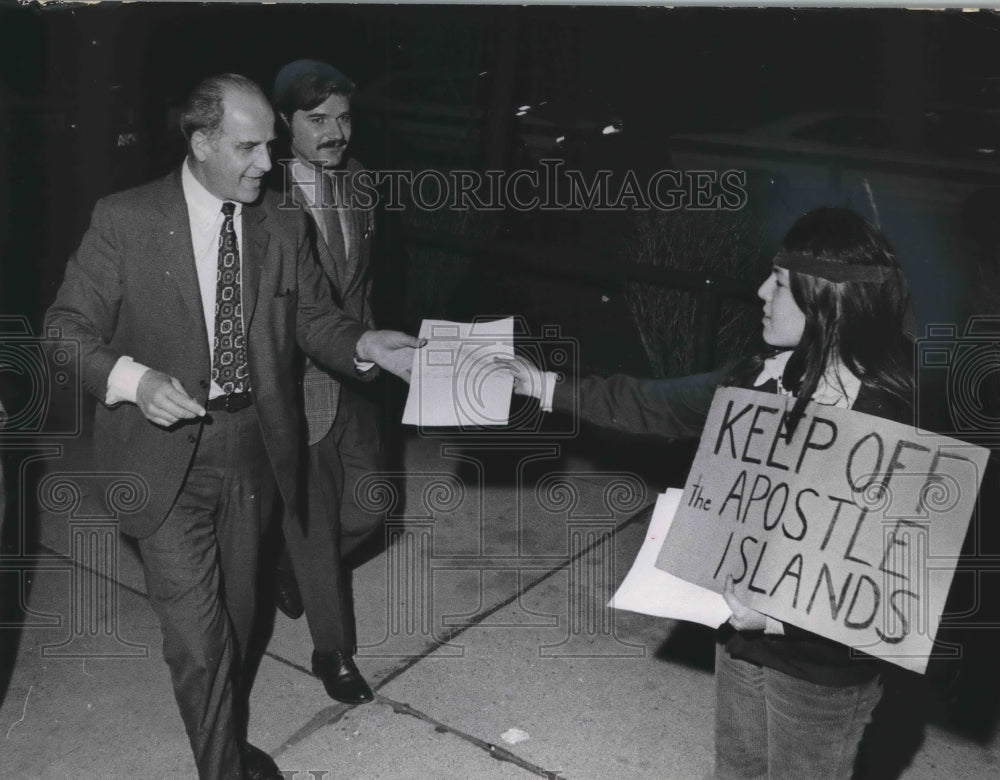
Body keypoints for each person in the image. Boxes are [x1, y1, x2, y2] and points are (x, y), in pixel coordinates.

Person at [44, 73, 420, 780]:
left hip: (253, 451)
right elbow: (64, 329)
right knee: (199, 642)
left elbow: (313, 317)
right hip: (159, 457)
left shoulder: (280, 222)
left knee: (241, 626)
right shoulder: (125, 219)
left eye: (269, 147)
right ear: (200, 141)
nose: (263, 164)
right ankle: (224, 769)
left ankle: (227, 746)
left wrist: (365, 345)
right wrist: (133, 379)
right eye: (247, 148)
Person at [501, 207, 915, 779]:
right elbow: (651, 403)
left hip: (820, 668)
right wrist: (539, 385)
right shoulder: (761, 375)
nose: (760, 291)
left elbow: (897, 581)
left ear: (825, 297)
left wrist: (776, 620)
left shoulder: (892, 413)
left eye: (778, 279)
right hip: (741, 639)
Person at [266, 59, 382, 705]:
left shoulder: (360, 182)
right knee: (314, 521)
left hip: (355, 372)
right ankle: (332, 652)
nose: (336, 132)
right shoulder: (264, 197)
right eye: (319, 120)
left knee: (369, 509)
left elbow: (360, 285)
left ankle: (285, 563)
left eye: (343, 117)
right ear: (286, 122)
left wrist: (378, 351)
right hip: (291, 384)